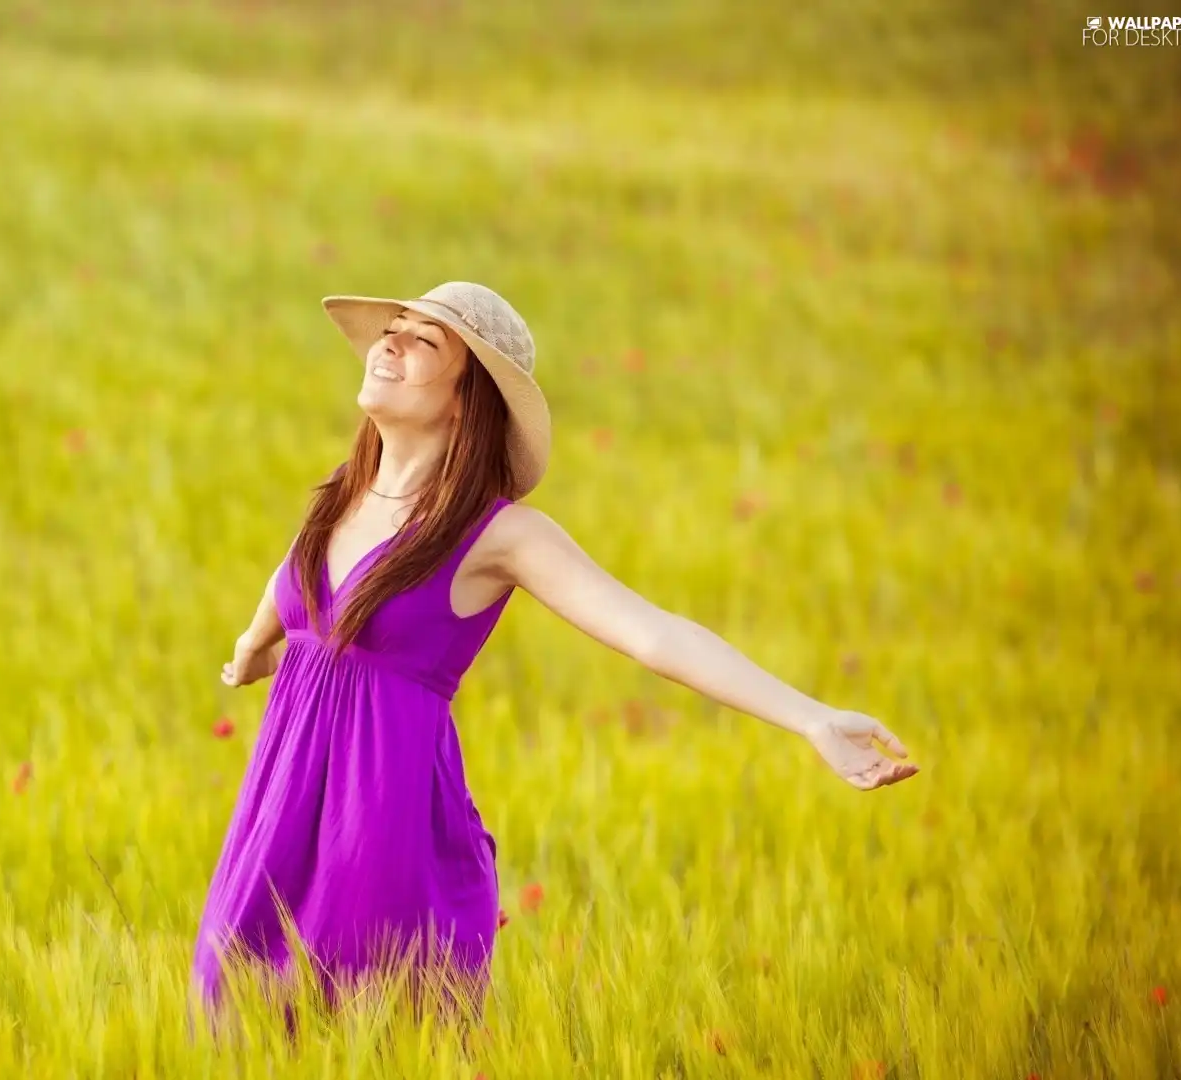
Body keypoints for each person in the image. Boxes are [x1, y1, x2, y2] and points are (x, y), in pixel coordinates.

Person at [189, 281, 919, 1027]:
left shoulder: (499, 537)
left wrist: (811, 719)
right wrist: (255, 644)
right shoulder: (343, 495)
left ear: (467, 400)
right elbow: (293, 576)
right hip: (276, 813)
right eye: (393, 329)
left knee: (354, 1027)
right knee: (224, 1009)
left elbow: (653, 633)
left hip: (379, 832)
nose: (390, 343)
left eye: (423, 340)